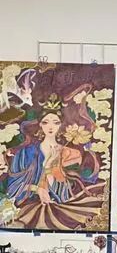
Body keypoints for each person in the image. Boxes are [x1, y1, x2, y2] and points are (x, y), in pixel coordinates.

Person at [6, 92, 102, 228]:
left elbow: (65, 192)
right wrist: (36, 189)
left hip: (59, 205)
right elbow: (11, 188)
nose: (50, 127)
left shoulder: (70, 153)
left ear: (61, 125)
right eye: (46, 122)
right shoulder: (25, 153)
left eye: (55, 122)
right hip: (29, 206)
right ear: (40, 124)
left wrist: (50, 167)